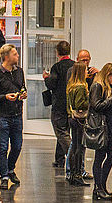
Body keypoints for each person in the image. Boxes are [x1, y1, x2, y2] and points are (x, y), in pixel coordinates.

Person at [0, 44, 26, 190]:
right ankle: (4, 176)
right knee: (3, 147)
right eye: (15, 54)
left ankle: (10, 169)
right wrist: (5, 97)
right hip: (2, 116)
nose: (17, 56)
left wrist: (23, 93)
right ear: (6, 57)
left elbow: (22, 87)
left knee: (17, 146)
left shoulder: (19, 72)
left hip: (17, 114)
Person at [88, 62, 112, 201]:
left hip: (111, 126)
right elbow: (96, 106)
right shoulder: (97, 86)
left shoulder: (108, 86)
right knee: (100, 157)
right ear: (108, 74)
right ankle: (98, 187)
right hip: (103, 128)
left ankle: (101, 186)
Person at [42, 41, 74, 169]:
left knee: (61, 132)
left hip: (59, 104)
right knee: (65, 130)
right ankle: (59, 159)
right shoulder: (75, 66)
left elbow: (51, 84)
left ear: (57, 52)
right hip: (71, 104)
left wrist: (46, 78)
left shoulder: (57, 67)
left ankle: (74, 158)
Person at [65, 61, 90, 187]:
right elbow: (80, 104)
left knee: (74, 146)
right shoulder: (81, 87)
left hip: (72, 118)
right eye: (85, 70)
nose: (87, 72)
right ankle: (77, 175)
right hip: (80, 120)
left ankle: (72, 174)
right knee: (79, 148)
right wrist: (89, 101)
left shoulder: (71, 85)